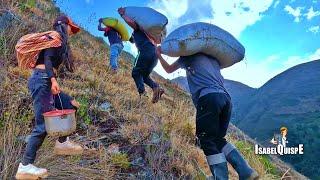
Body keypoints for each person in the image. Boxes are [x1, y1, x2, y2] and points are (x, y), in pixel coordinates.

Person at [157, 48, 259, 180]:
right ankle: (246, 171)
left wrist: (159, 55)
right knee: (218, 139)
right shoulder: (214, 60)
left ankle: (220, 177)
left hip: (209, 98)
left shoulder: (188, 55)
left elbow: (169, 69)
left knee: (206, 139)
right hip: (226, 99)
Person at [15, 15, 84, 180]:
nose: (71, 31)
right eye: (70, 27)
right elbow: (47, 60)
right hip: (42, 80)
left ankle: (62, 142)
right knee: (42, 125)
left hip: (44, 80)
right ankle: (25, 166)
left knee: (71, 104)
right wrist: (53, 80)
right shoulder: (55, 36)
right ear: (64, 25)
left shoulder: (57, 39)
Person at [118, 7, 164, 103]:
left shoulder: (139, 28)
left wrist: (122, 15)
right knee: (145, 76)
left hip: (146, 51)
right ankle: (156, 87)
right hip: (155, 55)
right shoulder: (148, 35)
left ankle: (143, 96)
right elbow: (132, 40)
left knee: (136, 73)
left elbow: (132, 23)